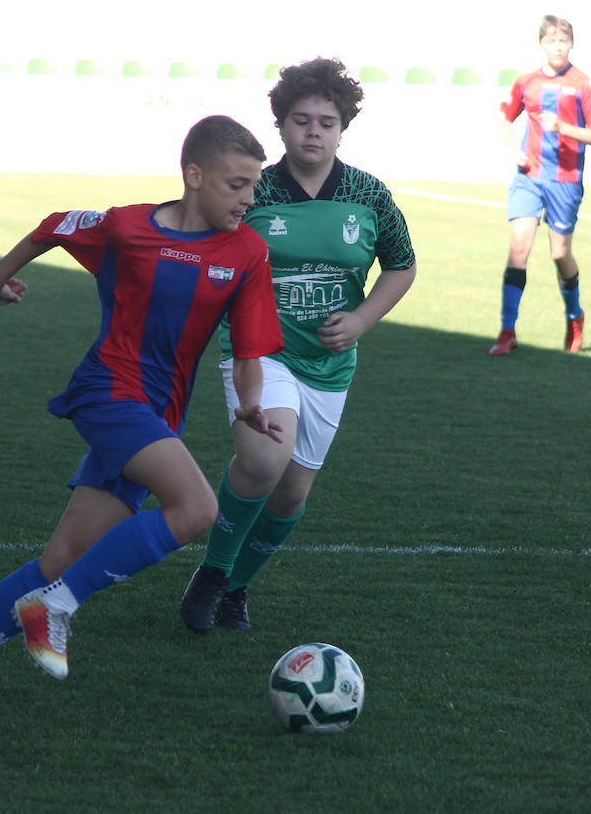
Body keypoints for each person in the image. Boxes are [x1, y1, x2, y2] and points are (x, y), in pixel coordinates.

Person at [0, 115, 284, 721]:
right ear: (194, 175)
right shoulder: (127, 226)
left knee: (58, 561)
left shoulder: (247, 252)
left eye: (254, 186)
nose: (249, 198)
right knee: (198, 509)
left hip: (157, 417)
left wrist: (251, 400)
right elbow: (55, 226)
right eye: (237, 184)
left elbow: (251, 348)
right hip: (108, 392)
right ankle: (57, 607)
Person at [178, 58, 417, 633]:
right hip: (260, 350)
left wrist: (362, 319)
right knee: (262, 460)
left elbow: (402, 267)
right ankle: (212, 573)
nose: (313, 131)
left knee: (289, 496)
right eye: (301, 120)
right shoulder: (253, 188)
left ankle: (236, 587)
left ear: (343, 128)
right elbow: (200, 244)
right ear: (280, 125)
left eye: (326, 122)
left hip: (330, 363)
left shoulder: (368, 193)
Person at [489, 14, 591, 356]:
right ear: (542, 44)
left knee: (559, 254)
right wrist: (515, 152)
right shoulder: (527, 82)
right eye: (552, 41)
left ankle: (574, 317)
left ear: (571, 44)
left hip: (566, 181)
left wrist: (564, 128)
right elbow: (505, 119)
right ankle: (507, 331)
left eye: (564, 40)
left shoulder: (585, 84)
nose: (558, 46)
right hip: (529, 178)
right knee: (518, 249)